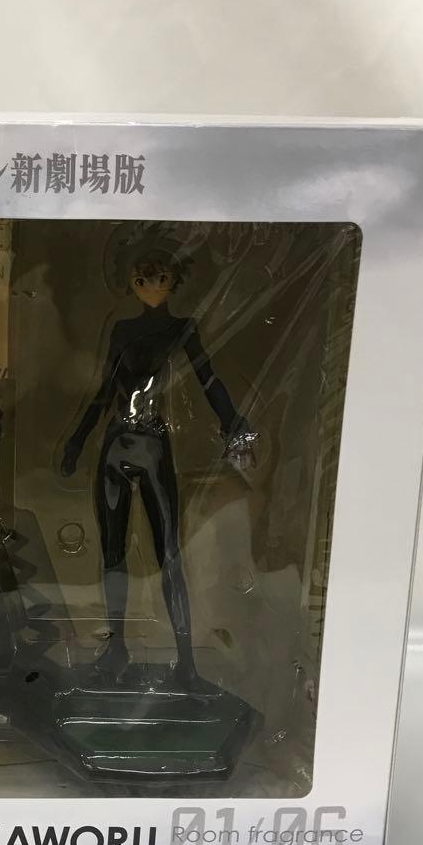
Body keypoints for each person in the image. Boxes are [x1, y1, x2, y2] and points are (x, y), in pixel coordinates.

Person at [60, 242, 255, 686]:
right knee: (113, 555)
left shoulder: (182, 329)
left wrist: (232, 421)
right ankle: (117, 648)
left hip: (152, 446)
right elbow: (104, 390)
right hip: (116, 446)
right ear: (130, 282)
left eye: (161, 277)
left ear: (174, 281)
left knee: (169, 554)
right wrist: (76, 440)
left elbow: (207, 378)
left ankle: (186, 661)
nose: (151, 286)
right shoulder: (122, 330)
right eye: (142, 278)